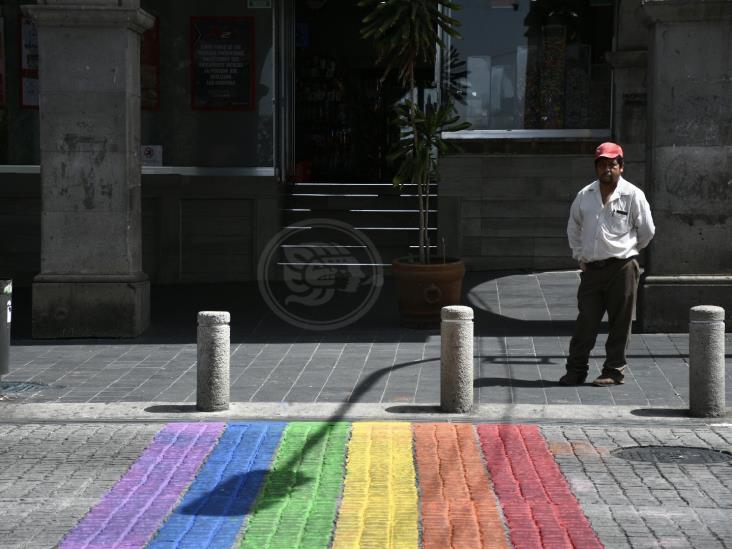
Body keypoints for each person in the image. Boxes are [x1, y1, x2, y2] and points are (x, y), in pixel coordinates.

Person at [559, 142, 655, 387]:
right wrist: (580, 255)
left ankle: (613, 371)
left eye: (612, 164)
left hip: (622, 268)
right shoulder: (585, 195)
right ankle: (576, 370)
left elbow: (646, 231)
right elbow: (573, 226)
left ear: (621, 167)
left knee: (620, 322)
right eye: (602, 164)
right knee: (586, 321)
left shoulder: (633, 195)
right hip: (591, 269)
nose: (606, 169)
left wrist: (629, 251)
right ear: (596, 167)